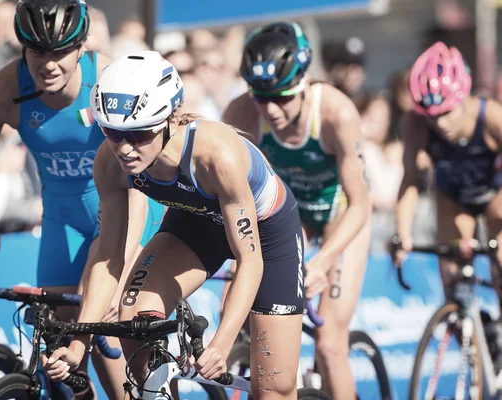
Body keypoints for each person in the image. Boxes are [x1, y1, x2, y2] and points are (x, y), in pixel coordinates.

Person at [42, 50, 306, 400]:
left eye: (138, 135)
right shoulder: (109, 162)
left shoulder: (215, 155)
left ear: (168, 120)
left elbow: (250, 259)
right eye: (112, 132)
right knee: (132, 322)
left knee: (274, 387)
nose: (124, 148)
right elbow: (108, 256)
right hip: (195, 222)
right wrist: (79, 342)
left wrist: (221, 344)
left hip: (267, 233)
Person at [0, 0, 150, 398]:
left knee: (99, 325)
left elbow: (140, 180)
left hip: (124, 206)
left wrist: (124, 263)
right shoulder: (3, 90)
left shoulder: (108, 79)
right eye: (38, 52)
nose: (49, 64)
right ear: (22, 49)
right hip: (62, 216)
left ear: (81, 47)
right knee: (60, 346)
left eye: (61, 52)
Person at [222, 22, 371, 400]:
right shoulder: (241, 113)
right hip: (290, 219)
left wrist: (323, 261)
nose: (270, 109)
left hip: (339, 217)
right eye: (260, 97)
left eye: (283, 97)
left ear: (304, 83)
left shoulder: (336, 113)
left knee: (330, 343)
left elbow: (360, 203)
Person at [395, 42, 502, 358]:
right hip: (453, 196)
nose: (439, 123)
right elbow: (410, 181)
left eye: (446, 112)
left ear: (464, 98)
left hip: (496, 193)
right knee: (452, 282)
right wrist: (404, 234)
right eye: (430, 115)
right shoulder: (415, 125)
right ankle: (482, 348)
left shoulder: (493, 116)